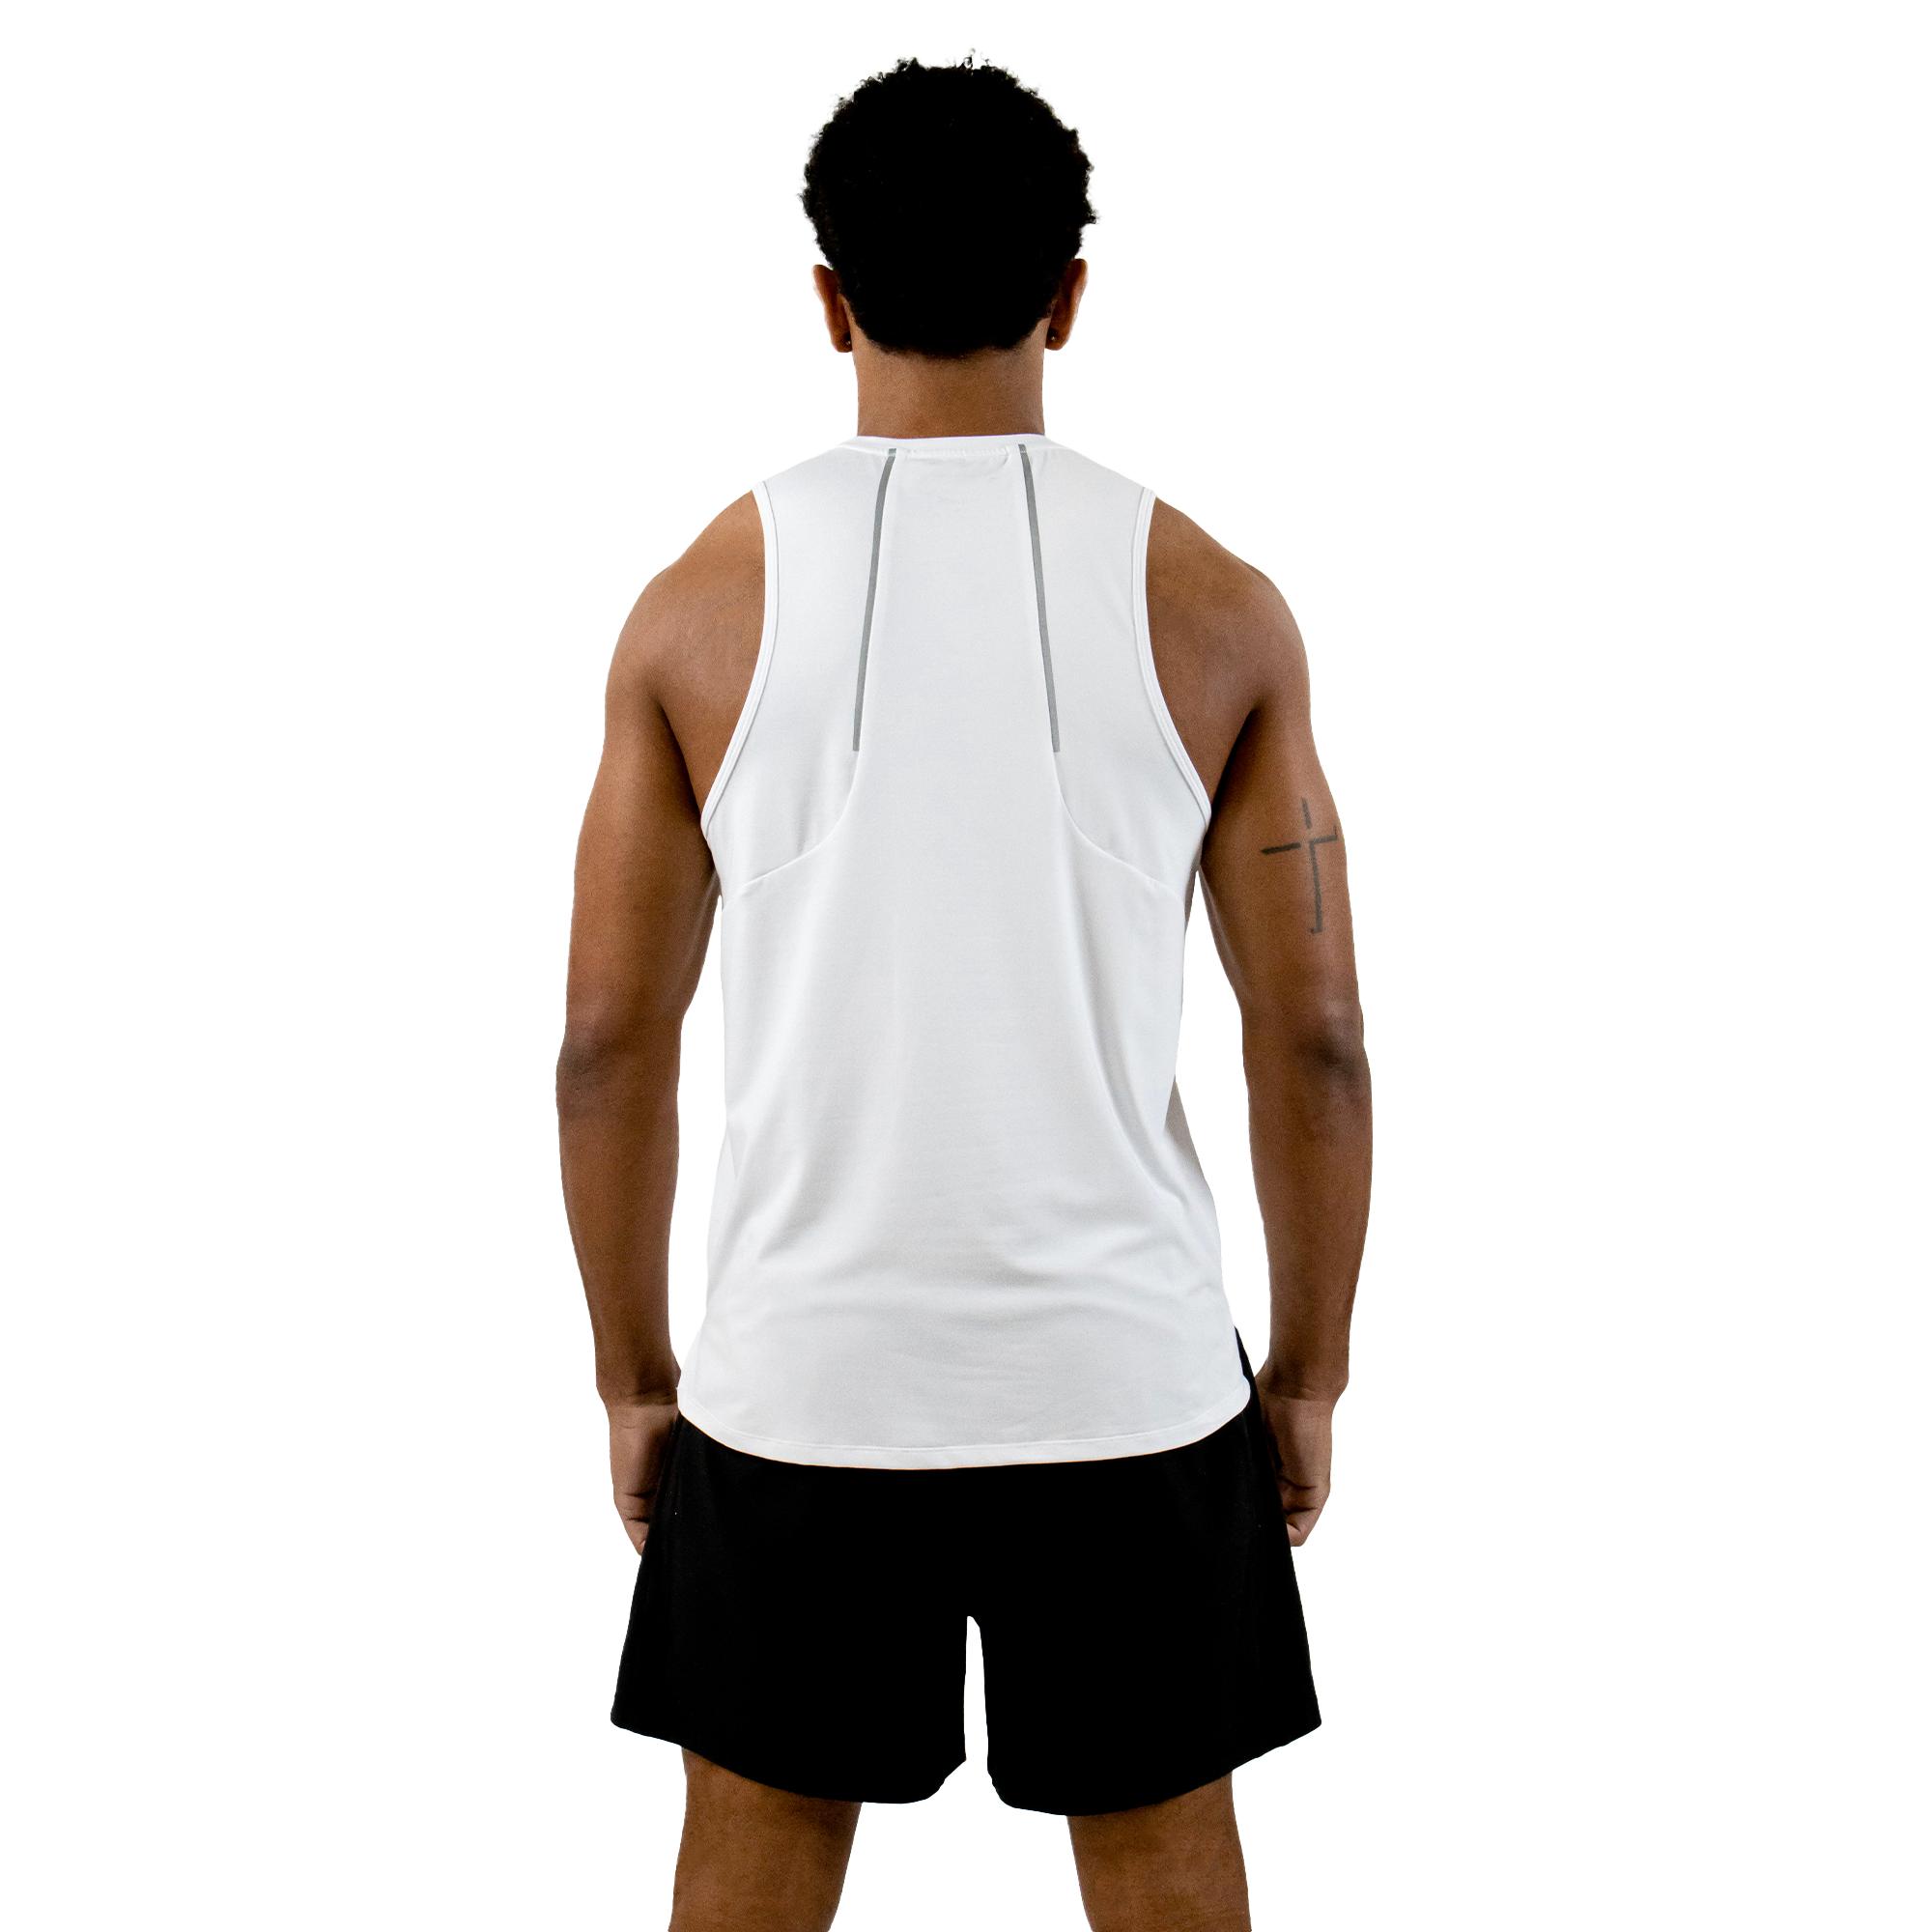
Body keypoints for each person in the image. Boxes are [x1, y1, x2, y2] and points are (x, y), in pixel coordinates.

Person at [556, 49, 1371, 1932]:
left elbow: (605, 1046)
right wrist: (1310, 1375)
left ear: (826, 297)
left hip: (801, 1383)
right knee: (1168, 1875)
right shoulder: (1216, 605)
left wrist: (633, 1380)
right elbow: (1316, 1040)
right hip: (1129, 1385)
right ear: (1068, 296)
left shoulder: (692, 608)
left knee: (748, 1883)